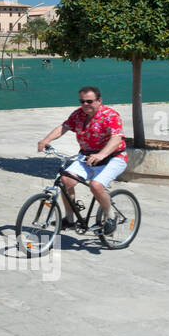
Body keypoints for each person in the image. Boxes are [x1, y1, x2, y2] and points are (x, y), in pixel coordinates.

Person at [36, 86, 128, 232]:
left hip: (113, 158)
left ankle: (111, 215)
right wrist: (45, 140)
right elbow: (64, 127)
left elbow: (116, 138)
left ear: (99, 101)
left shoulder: (110, 115)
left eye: (89, 101)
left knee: (96, 186)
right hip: (87, 157)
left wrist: (101, 154)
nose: (85, 105)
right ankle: (70, 219)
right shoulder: (78, 114)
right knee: (65, 181)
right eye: (82, 101)